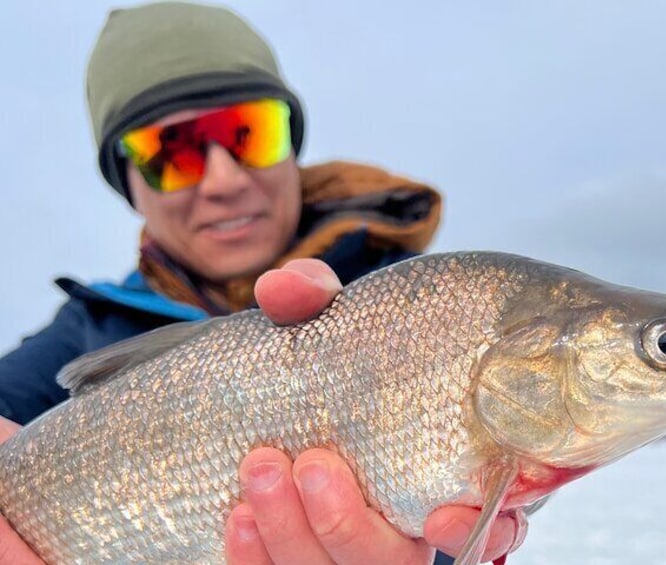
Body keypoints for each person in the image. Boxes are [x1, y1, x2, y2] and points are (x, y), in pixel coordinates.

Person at [0, 2, 526, 563]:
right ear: (130, 186)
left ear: (291, 145)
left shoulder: (416, 314)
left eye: (250, 133)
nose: (225, 180)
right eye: (173, 152)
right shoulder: (87, 327)